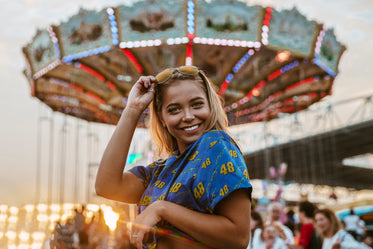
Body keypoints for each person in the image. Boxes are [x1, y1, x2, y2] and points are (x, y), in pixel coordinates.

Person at [95, 66, 253, 249]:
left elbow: (238, 238)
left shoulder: (216, 145)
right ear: (162, 118)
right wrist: (133, 109)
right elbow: (107, 186)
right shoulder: (161, 170)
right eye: (174, 109)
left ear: (210, 105)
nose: (188, 116)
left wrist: (162, 209)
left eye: (197, 104)